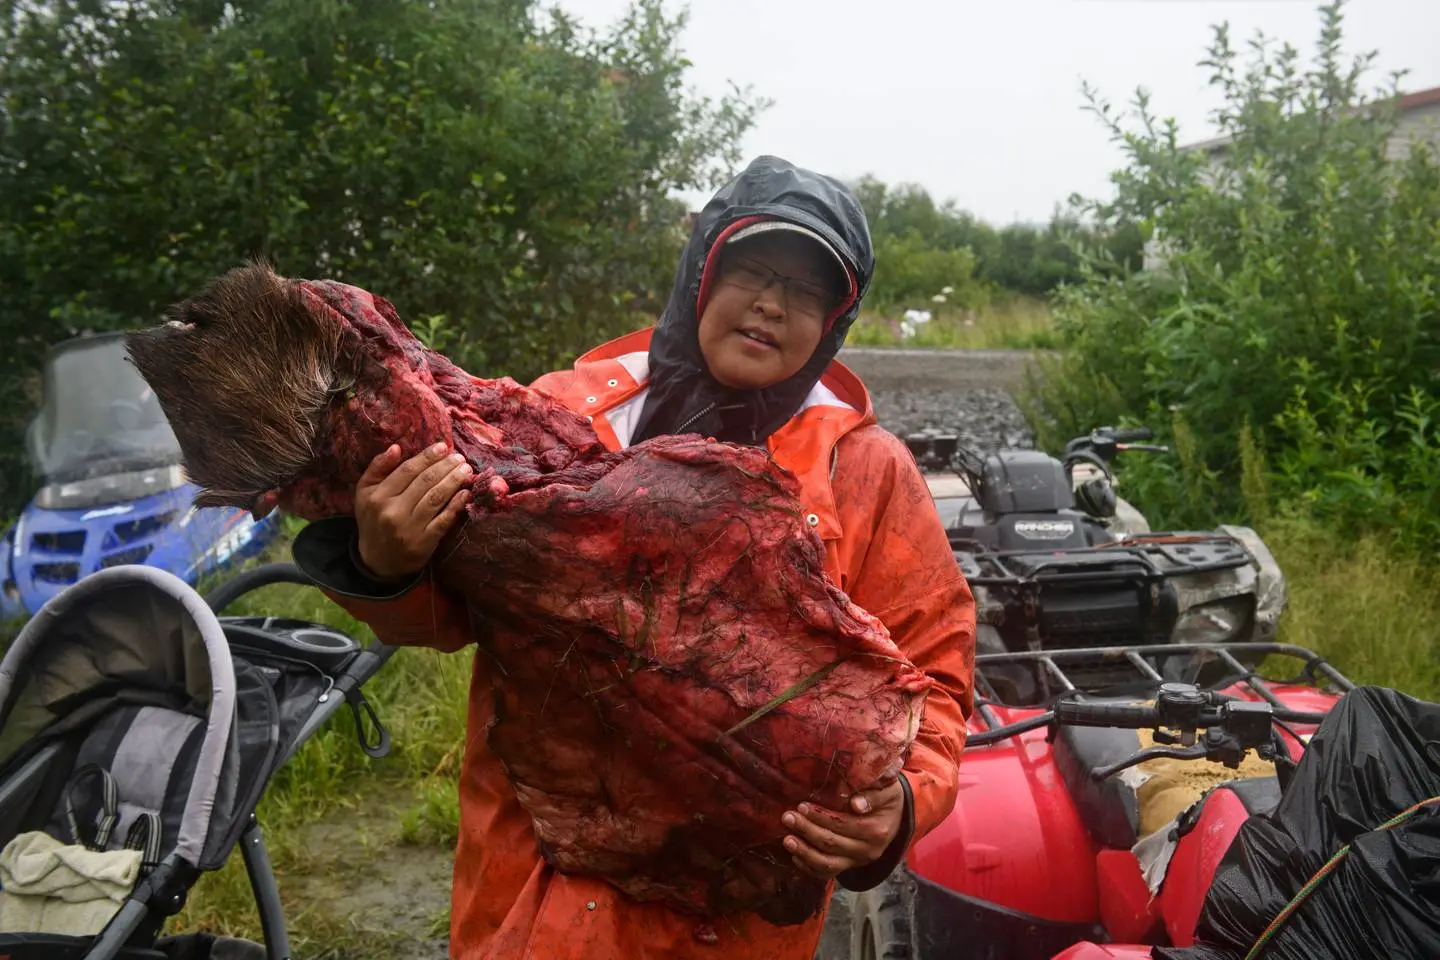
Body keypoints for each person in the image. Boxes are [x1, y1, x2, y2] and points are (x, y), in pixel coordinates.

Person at [287, 155, 976, 959]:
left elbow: (934, 673)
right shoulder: (563, 417)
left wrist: (900, 804)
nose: (770, 304)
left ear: (834, 322)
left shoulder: (865, 472)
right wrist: (386, 562)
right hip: (532, 882)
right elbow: (452, 614)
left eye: (808, 291)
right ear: (701, 273)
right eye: (751, 269)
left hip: (725, 915)